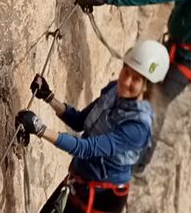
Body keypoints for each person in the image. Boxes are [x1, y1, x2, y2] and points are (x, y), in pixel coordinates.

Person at [16, 40, 169, 213]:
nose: (126, 81)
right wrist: (49, 97)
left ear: (147, 86)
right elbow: (80, 120)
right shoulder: (114, 91)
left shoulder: (138, 128)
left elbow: (87, 148)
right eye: (126, 72)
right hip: (79, 180)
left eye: (136, 79)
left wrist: (39, 129)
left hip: (101, 198)